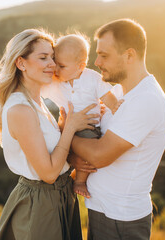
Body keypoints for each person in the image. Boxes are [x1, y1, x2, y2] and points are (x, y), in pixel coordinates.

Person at [0, 28, 98, 240]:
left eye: (53, 57)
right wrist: (69, 129)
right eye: (43, 58)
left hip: (61, 196)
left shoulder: (37, 101)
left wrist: (65, 133)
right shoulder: (20, 109)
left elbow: (50, 150)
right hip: (39, 203)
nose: (52, 64)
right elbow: (48, 174)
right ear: (21, 64)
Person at [69, 19, 165, 240]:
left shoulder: (147, 99)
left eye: (104, 55)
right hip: (102, 209)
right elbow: (91, 141)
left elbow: (98, 155)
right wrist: (75, 154)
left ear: (129, 55)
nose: (96, 62)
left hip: (122, 219)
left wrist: (66, 130)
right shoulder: (116, 93)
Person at [41, 33, 122, 198]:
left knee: (88, 149)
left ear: (80, 66)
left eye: (62, 66)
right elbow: (38, 89)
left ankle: (79, 181)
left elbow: (106, 96)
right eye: (55, 64)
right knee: (55, 145)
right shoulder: (57, 82)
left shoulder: (92, 78)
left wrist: (115, 106)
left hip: (87, 126)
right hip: (65, 129)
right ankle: (64, 175)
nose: (56, 69)